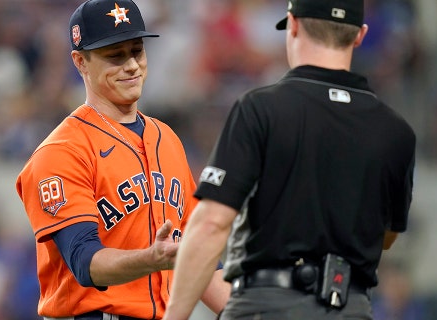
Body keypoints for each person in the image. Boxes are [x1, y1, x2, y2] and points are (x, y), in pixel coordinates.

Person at [163, 0, 416, 319]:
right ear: (359, 35)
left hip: (269, 304)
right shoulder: (397, 131)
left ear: (293, 24)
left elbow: (212, 222)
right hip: (352, 307)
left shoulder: (261, 109)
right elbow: (387, 235)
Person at [15, 0, 230, 319]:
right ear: (81, 61)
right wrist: (152, 258)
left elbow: (196, 256)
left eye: (136, 51)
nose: (131, 65)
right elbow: (85, 262)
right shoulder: (62, 151)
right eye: (115, 55)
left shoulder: (166, 138)